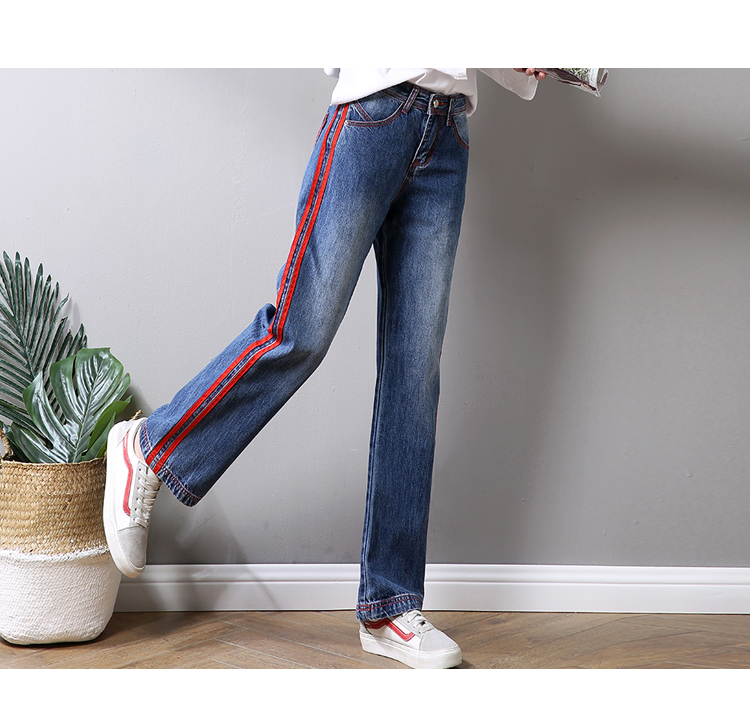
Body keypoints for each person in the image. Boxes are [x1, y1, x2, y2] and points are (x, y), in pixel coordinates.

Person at [103, 68, 546, 670]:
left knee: (415, 377)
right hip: (375, 109)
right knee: (299, 331)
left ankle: (389, 606)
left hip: (449, 131)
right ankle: (151, 446)